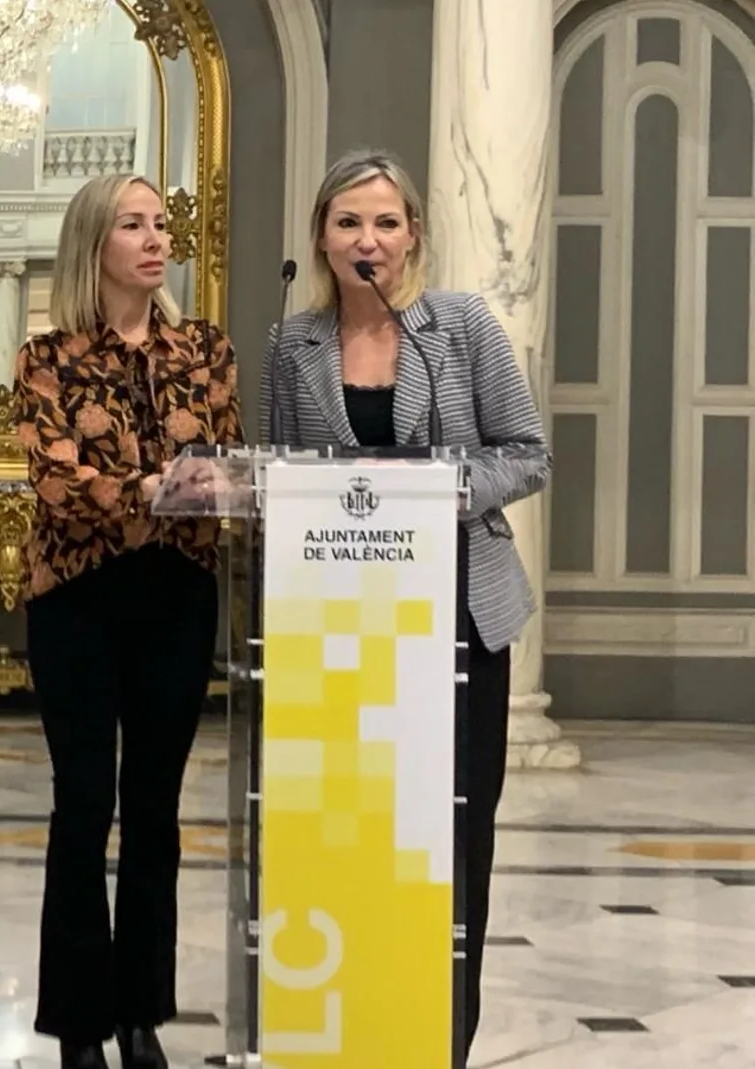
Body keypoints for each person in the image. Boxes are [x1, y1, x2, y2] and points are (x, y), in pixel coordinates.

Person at [260, 148, 552, 1066]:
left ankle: (445, 1040)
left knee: (458, 834)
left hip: (462, 617)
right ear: (321, 237)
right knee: (354, 833)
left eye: (386, 222)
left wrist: (436, 488)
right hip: (341, 631)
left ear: (412, 234)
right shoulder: (291, 346)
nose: (368, 239)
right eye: (349, 222)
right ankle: (355, 1022)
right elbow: (279, 477)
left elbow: (529, 453)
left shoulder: (459, 328)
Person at [14, 173, 243, 1069]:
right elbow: (57, 486)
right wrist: (151, 488)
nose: (155, 239)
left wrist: (167, 491)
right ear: (93, 244)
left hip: (176, 596)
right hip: (76, 599)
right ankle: (79, 1023)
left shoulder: (207, 350)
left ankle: (143, 1011)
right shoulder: (49, 357)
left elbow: (218, 474)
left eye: (161, 223)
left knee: (156, 809)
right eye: (132, 225)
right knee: (84, 805)